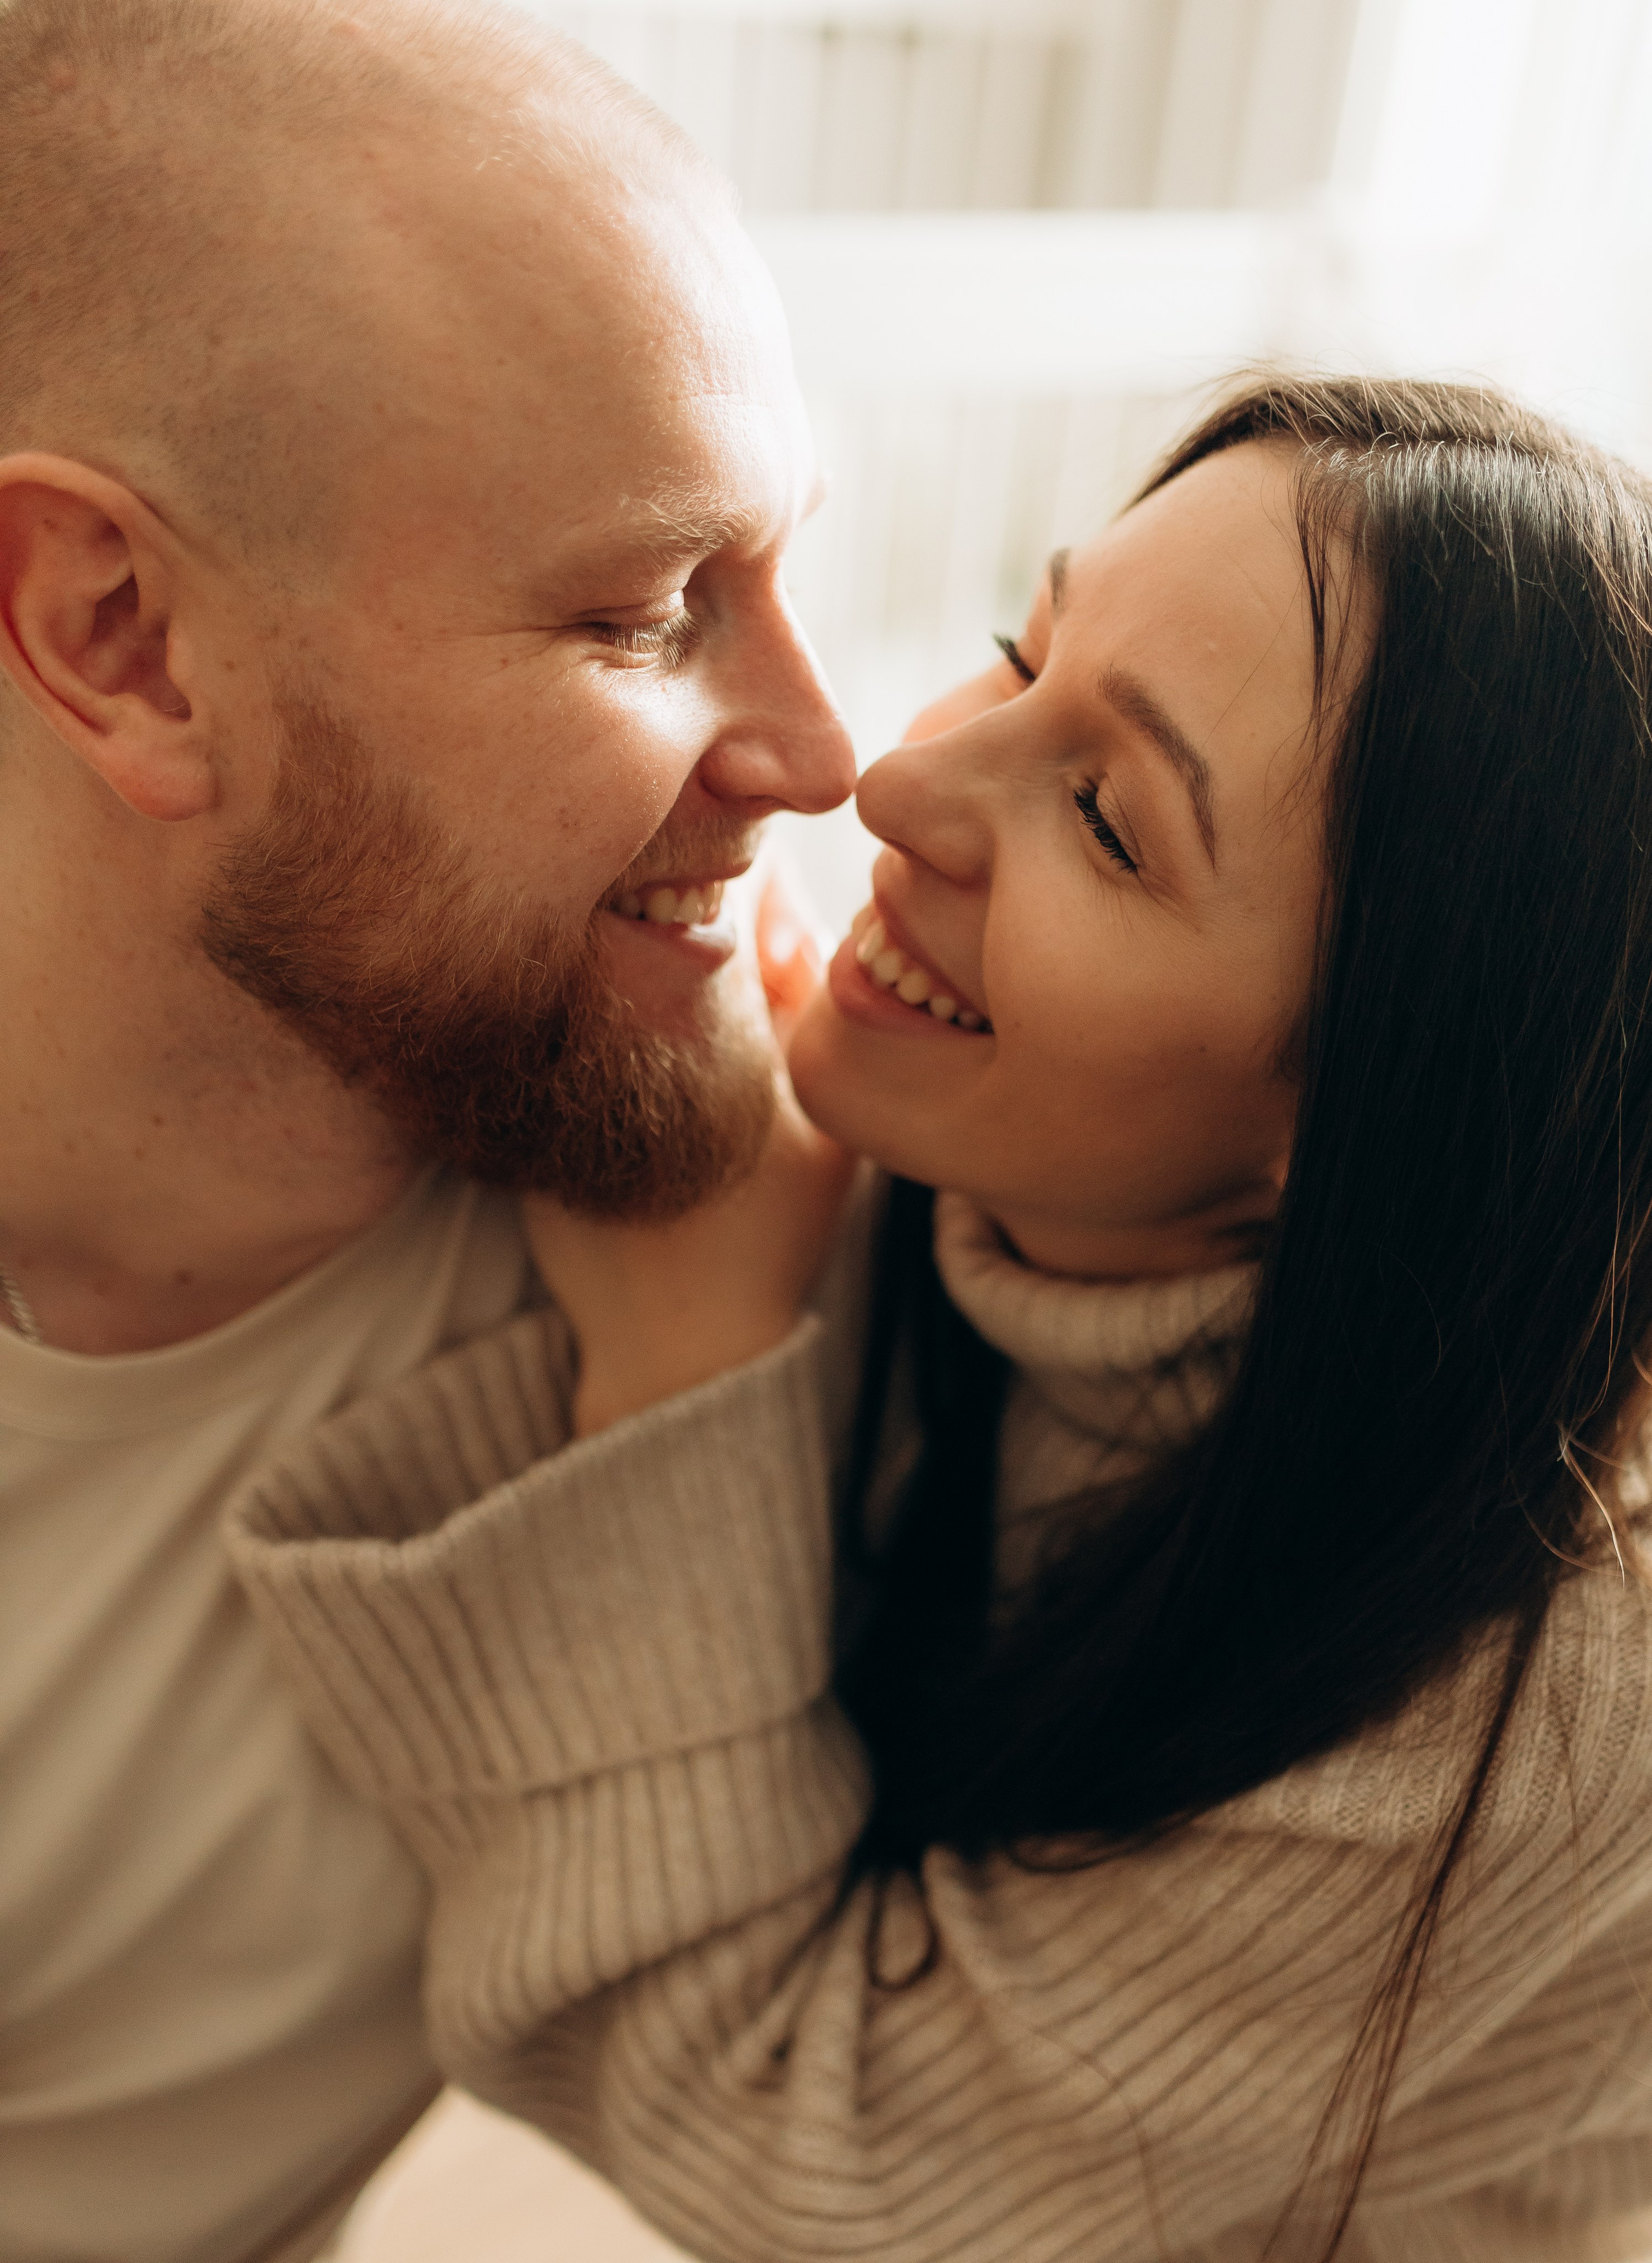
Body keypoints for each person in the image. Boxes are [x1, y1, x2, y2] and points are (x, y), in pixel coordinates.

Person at [232, 375, 1652, 2263]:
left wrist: (690, 1363)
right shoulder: (983, 1169)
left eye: (1110, 821)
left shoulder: (1560, 1669)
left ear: (1371, 1133)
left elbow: (823, 2168)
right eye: (1021, 653)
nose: (890, 786)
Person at [0, 0, 854, 2255]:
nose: (823, 750)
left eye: (790, 569)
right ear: (122, 637)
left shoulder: (761, 1178)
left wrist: (695, 1391)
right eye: (649, 612)